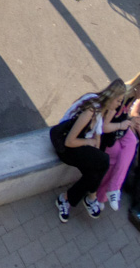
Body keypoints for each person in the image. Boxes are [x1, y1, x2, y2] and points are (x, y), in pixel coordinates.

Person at [53, 83, 118, 221]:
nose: (118, 105)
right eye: (118, 100)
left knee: (97, 169)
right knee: (103, 161)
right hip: (66, 148)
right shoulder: (90, 110)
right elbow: (69, 141)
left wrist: (95, 154)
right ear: (111, 98)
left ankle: (66, 199)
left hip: (78, 147)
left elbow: (98, 137)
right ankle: (89, 198)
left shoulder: (100, 109)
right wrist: (89, 143)